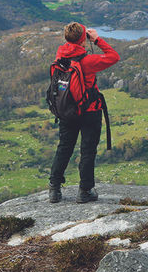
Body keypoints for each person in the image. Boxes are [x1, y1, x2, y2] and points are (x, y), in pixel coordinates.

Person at [49, 22, 120, 204]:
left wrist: (79, 40)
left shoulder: (60, 55)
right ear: (83, 39)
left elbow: (71, 47)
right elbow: (114, 56)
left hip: (66, 110)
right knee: (87, 151)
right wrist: (96, 40)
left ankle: (54, 190)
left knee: (64, 148)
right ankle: (85, 191)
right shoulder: (88, 61)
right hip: (89, 111)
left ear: (66, 38)